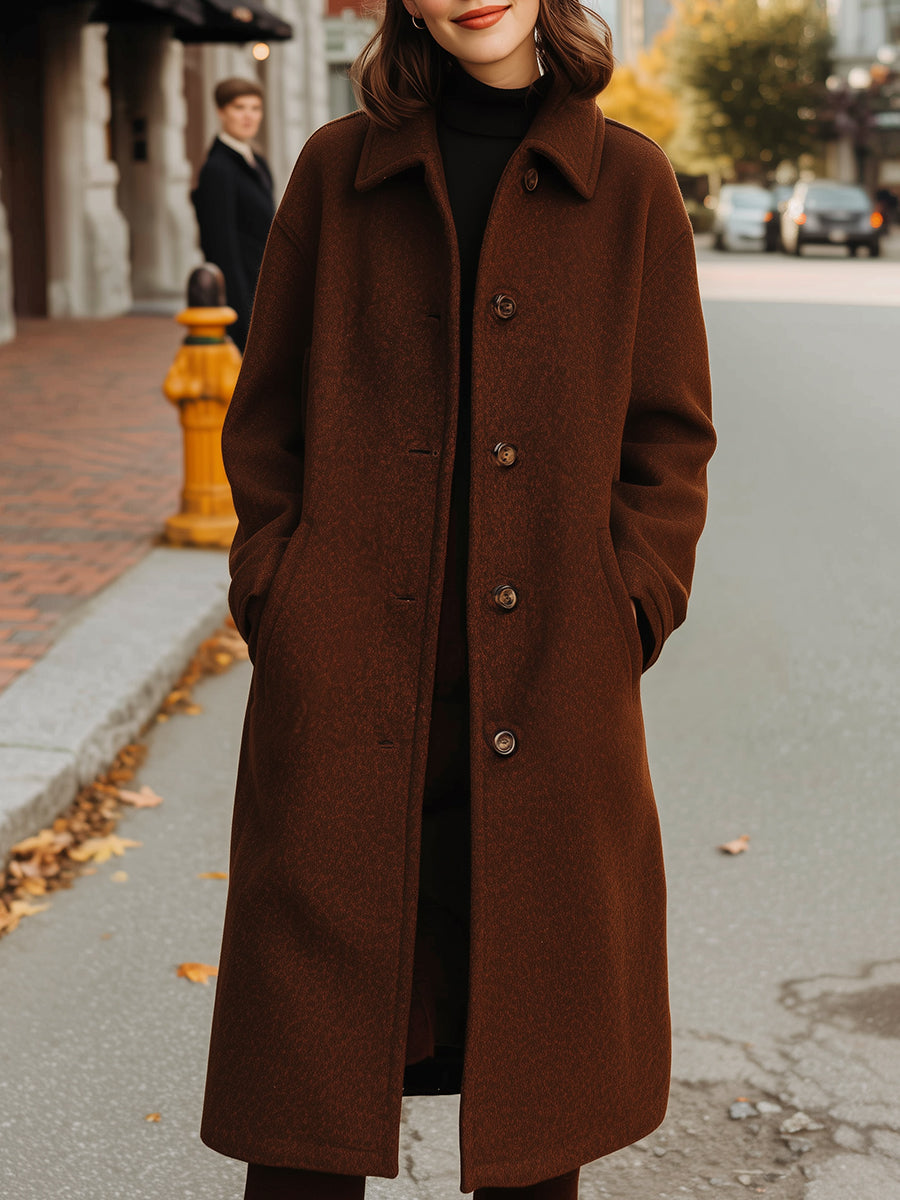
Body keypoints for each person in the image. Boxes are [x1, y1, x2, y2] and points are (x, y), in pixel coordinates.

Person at [200, 0, 716, 1195]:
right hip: (347, 700)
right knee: (303, 1128)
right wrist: (282, 593)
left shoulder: (629, 183)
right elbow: (264, 418)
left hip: (550, 700)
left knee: (534, 1117)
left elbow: (669, 441)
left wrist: (625, 604)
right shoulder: (338, 170)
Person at [192, 78, 275, 352]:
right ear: (221, 111)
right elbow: (220, 247)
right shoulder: (218, 169)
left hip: (264, 292)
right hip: (242, 301)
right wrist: (242, 315)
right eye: (239, 107)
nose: (249, 116)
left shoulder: (256, 160)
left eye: (255, 108)